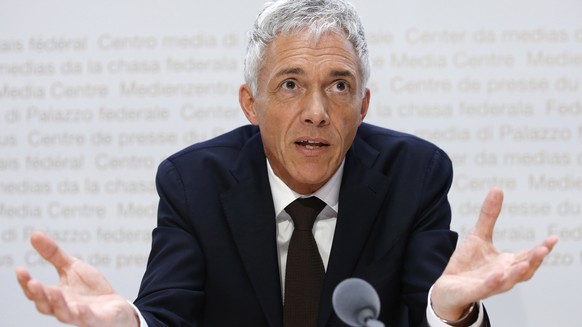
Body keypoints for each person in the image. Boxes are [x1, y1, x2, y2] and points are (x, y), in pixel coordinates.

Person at [16, 0, 558, 326]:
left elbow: (428, 308)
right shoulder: (193, 184)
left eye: (339, 86)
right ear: (251, 104)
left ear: (363, 105)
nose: (317, 113)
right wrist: (127, 322)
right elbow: (170, 310)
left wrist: (448, 313)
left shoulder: (414, 177)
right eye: (291, 85)